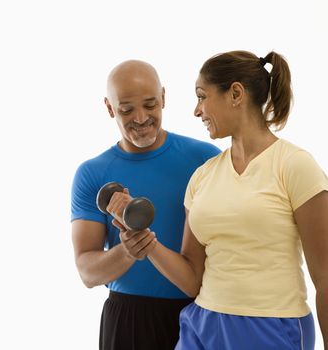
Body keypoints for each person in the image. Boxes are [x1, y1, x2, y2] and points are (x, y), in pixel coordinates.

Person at [111, 51, 328, 349]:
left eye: (202, 96)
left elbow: (325, 276)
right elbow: (191, 278)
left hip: (271, 325)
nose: (197, 111)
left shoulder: (294, 165)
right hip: (202, 323)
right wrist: (143, 239)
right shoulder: (203, 176)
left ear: (236, 94)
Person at [70, 59, 221, 350]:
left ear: (164, 97)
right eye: (126, 109)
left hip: (200, 310)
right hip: (128, 318)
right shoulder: (92, 173)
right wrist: (127, 251)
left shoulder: (205, 159)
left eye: (150, 105)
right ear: (109, 108)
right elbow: (87, 273)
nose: (140, 118)